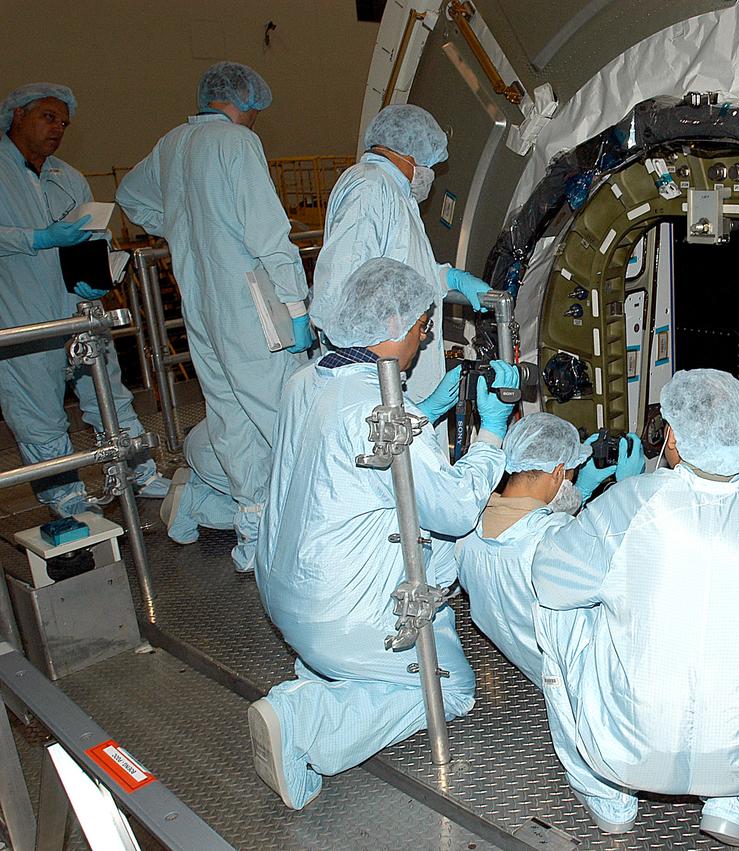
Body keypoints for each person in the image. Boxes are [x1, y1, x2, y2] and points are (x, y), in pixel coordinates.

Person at [248, 257, 518, 810]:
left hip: (283, 592)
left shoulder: (307, 380)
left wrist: (423, 411)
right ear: (394, 326)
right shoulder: (382, 409)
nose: (421, 342)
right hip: (337, 617)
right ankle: (308, 722)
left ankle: (329, 675)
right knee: (452, 688)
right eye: (422, 327)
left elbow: (350, 461)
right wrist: (493, 433)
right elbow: (456, 510)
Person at [532, 369, 739, 849]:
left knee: (557, 609)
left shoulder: (631, 503)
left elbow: (549, 577)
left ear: (672, 437)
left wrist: (586, 506)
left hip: (627, 751)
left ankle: (610, 798)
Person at [116, 62, 313, 571]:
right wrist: (296, 306)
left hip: (199, 301)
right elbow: (269, 234)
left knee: (229, 417)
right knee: (284, 413)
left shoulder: (173, 144)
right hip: (253, 303)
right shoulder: (236, 144)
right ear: (246, 102)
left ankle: (252, 531)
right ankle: (309, 527)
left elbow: (130, 197)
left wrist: (183, 226)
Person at [0, 83, 168, 517]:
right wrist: (35, 239)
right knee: (37, 410)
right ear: (18, 115)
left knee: (108, 392)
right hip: (21, 317)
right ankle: (65, 494)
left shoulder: (68, 177)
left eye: (63, 122)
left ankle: (137, 469)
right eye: (48, 118)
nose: (58, 129)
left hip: (78, 309)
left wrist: (101, 273)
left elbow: (96, 234)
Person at [310, 103, 491, 403]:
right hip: (373, 372)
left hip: (387, 368)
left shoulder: (389, 190)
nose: (428, 174)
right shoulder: (370, 187)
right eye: (429, 166)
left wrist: (449, 278)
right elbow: (344, 281)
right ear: (411, 155)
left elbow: (400, 268)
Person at [450, 413, 643, 683]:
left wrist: (583, 491)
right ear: (558, 473)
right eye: (572, 472)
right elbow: (630, 566)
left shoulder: (466, 532)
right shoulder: (553, 540)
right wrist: (629, 492)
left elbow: (528, 522)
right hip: (586, 677)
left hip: (532, 666)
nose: (573, 478)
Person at [159, 418, 235, 544]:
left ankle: (196, 480)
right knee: (263, 511)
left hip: (204, 439)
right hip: (222, 455)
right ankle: (195, 503)